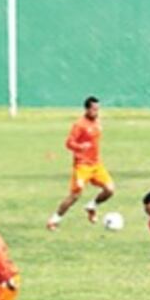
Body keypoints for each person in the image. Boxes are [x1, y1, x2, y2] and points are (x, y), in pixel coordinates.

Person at [47, 96, 114, 230]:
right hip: (82, 166)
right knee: (75, 196)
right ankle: (54, 220)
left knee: (110, 190)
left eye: (98, 109)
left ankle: (92, 206)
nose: (97, 112)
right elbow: (69, 143)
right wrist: (80, 147)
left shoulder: (97, 122)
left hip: (96, 165)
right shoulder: (79, 125)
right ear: (87, 109)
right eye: (94, 109)